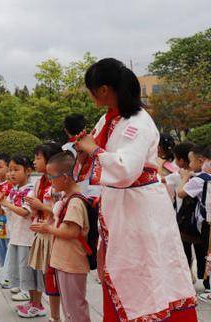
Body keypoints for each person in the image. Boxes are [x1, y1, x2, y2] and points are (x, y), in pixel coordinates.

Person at [75, 58, 197, 321]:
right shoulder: (107, 119)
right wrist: (83, 151)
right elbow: (97, 154)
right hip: (120, 207)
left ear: (104, 89)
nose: (90, 93)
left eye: (91, 88)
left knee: (147, 268)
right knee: (126, 269)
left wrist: (93, 150)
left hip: (139, 208)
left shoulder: (138, 121)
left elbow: (126, 169)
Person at [31, 151, 92, 322]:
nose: (49, 180)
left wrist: (48, 228)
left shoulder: (75, 201)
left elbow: (72, 231)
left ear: (65, 177)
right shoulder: (67, 197)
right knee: (69, 306)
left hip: (72, 262)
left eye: (52, 177)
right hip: (64, 261)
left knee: (75, 306)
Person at [0, 155, 47, 318]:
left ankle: (38, 305)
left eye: (16, 170)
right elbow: (3, 212)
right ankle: (32, 302)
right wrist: (0, 201)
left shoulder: (32, 190)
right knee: (25, 273)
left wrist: (7, 203)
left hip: (29, 239)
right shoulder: (14, 190)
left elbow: (25, 212)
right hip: (17, 237)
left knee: (33, 273)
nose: (11, 173)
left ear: (28, 171)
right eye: (10, 170)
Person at [24, 143, 63, 322]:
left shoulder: (59, 183)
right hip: (42, 234)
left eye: (38, 158)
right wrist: (34, 208)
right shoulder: (39, 182)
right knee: (49, 277)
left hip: (55, 234)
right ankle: (55, 316)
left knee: (57, 277)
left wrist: (40, 207)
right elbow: (34, 210)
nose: (34, 161)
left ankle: (62, 314)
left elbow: (62, 210)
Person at [178, 145, 211, 300]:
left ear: (202, 161)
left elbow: (180, 193)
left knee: (207, 253)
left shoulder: (199, 179)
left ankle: (208, 285)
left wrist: (184, 178)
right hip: (206, 222)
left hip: (206, 224)